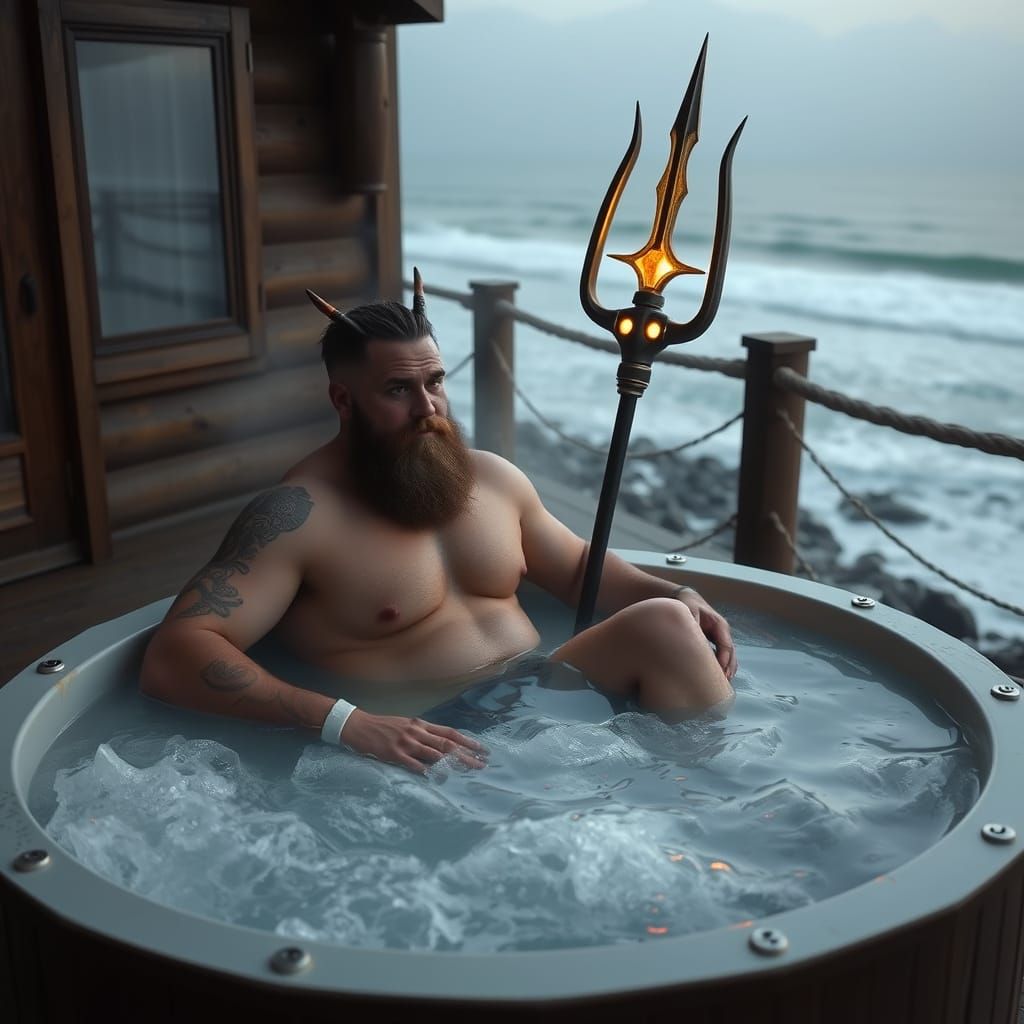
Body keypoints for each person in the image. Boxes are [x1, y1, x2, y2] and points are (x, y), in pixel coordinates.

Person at [140, 273, 737, 776]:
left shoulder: (491, 479)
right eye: (398, 390)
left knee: (665, 622)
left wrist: (676, 591)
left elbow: (579, 568)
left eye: (435, 382)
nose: (428, 408)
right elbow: (176, 654)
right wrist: (347, 724)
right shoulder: (297, 516)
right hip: (430, 740)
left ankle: (722, 796)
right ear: (344, 401)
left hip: (546, 693)